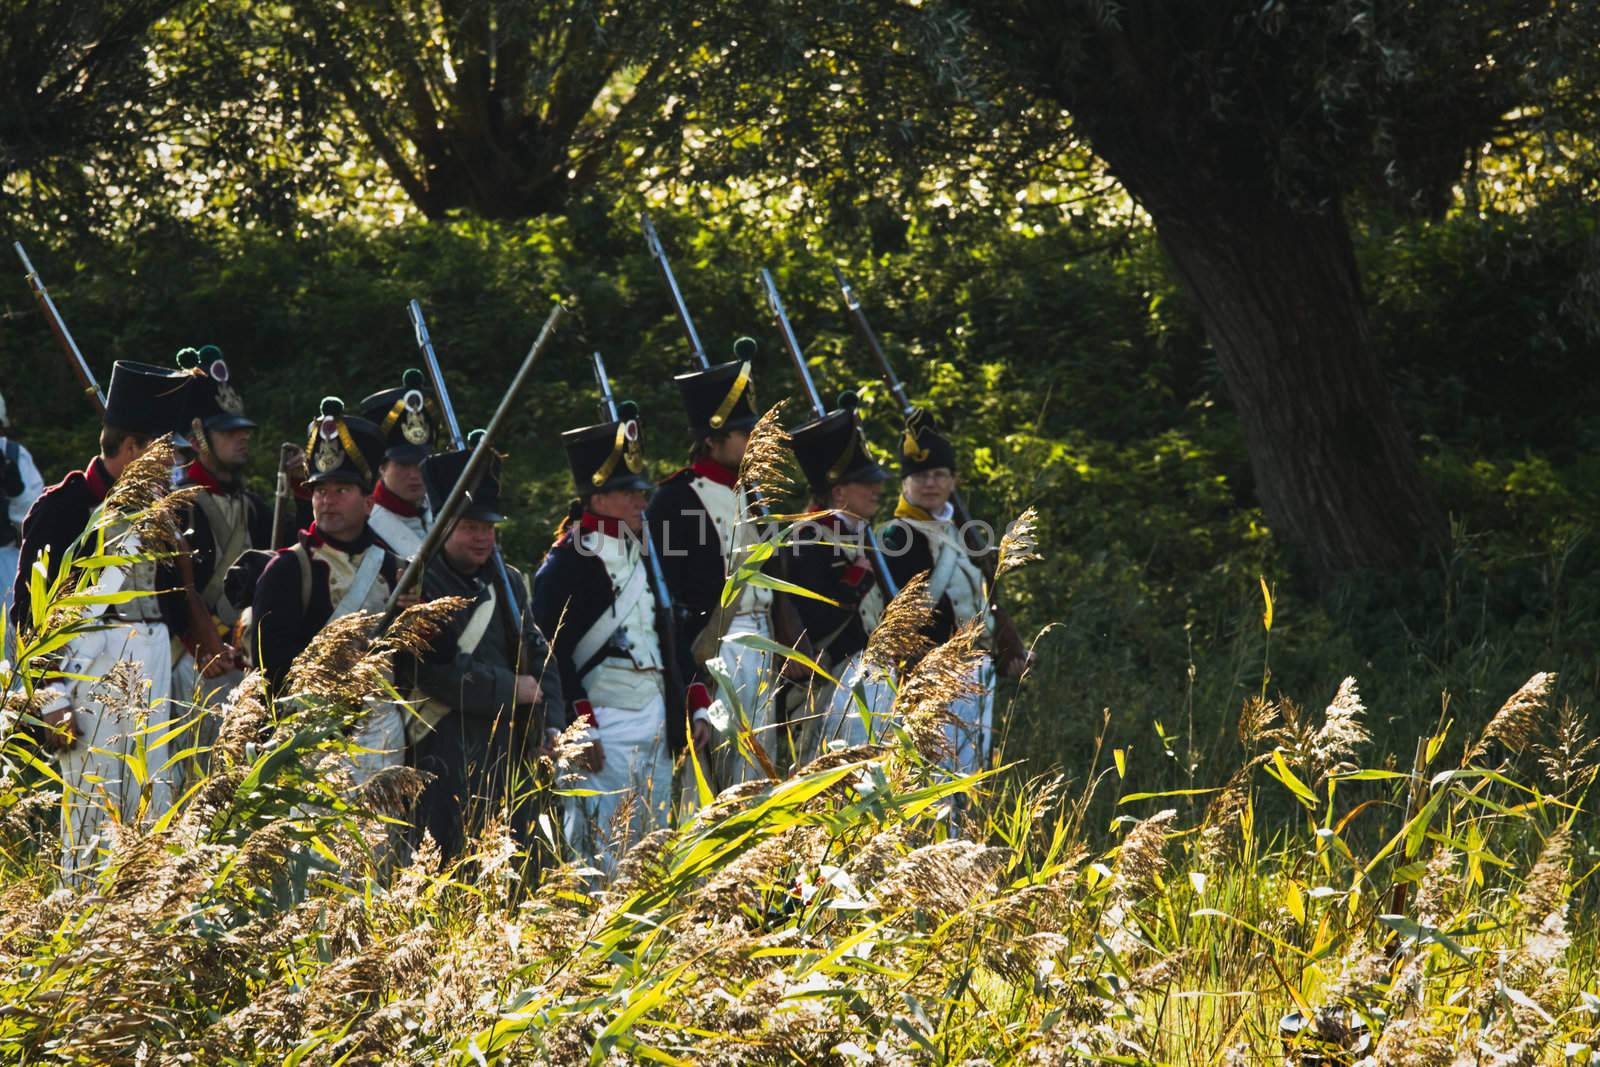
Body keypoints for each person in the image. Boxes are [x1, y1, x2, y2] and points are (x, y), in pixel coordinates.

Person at [22, 361, 198, 881]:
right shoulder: (65, 508)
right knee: (92, 824)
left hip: (154, 669)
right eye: (164, 455)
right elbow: (30, 615)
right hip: (90, 671)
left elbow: (170, 601)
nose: (172, 469)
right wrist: (49, 700)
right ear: (134, 447)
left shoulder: (158, 512)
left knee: (152, 809)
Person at [532, 403, 710, 876]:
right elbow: (551, 652)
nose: (639, 502)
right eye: (626, 492)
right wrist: (580, 725)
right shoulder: (566, 562)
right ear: (597, 498)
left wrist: (693, 700)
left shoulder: (645, 551)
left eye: (639, 492)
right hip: (602, 722)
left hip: (654, 714)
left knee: (654, 844)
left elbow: (666, 632)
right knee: (598, 851)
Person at [407, 437, 562, 859]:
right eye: (471, 527)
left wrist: (550, 724)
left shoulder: (508, 581)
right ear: (443, 526)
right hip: (445, 748)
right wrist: (510, 688)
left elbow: (539, 653)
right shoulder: (422, 584)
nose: (483, 538)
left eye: (489, 528)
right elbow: (435, 672)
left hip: (511, 750)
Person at [645, 340, 784, 785]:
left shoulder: (755, 495)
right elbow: (670, 591)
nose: (755, 442)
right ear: (712, 439)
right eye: (745, 434)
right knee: (722, 779)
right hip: (716, 647)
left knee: (761, 772)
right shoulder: (675, 498)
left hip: (764, 644)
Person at [251, 397, 405, 784]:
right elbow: (271, 670)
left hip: (383, 733)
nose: (326, 499)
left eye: (341, 489)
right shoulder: (288, 569)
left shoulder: (395, 570)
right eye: (320, 489)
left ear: (369, 501)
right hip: (313, 738)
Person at [879, 407, 1030, 773]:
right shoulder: (895, 536)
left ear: (952, 481)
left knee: (968, 776)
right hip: (928, 672)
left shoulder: (961, 533)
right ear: (905, 484)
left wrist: (1007, 639)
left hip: (975, 670)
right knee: (928, 777)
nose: (930, 483)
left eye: (939, 474)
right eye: (920, 475)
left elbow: (983, 598)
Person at [776, 393, 895, 763]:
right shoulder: (806, 537)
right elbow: (815, 617)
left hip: (874, 676)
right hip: (834, 682)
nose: (877, 490)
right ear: (839, 491)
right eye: (864, 483)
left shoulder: (862, 534)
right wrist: (858, 576)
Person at [170, 345, 266, 741]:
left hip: (242, 662)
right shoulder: (176, 505)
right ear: (198, 437)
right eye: (229, 431)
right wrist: (202, 643)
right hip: (193, 660)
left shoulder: (254, 507)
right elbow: (170, 589)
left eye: (242, 430)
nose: (242, 437)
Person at [359, 369, 438, 557]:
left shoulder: (442, 510)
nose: (415, 474)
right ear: (382, 467)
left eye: (421, 464)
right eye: (403, 465)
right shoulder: (365, 523)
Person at [0, 388, 44, 655]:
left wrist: (15, 493)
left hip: (6, 562)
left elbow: (35, 516)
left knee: (11, 641)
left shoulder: (15, 456)